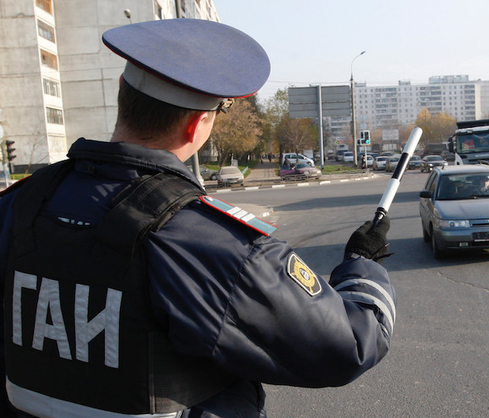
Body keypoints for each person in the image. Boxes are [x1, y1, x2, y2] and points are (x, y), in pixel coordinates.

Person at [0, 19, 396, 418]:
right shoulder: (212, 243)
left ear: (122, 91)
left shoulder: (20, 205)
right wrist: (363, 266)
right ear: (196, 123)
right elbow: (349, 344)